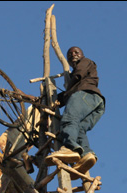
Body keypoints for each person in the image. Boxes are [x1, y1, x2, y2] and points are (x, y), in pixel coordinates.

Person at [45, 46, 105, 179]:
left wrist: (68, 88)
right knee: (80, 129)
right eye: (70, 54)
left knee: (70, 119)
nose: (73, 55)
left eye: (76, 52)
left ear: (82, 54)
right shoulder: (76, 83)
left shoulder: (86, 62)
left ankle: (70, 148)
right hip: (96, 103)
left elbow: (78, 76)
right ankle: (87, 155)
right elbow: (67, 95)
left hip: (86, 94)